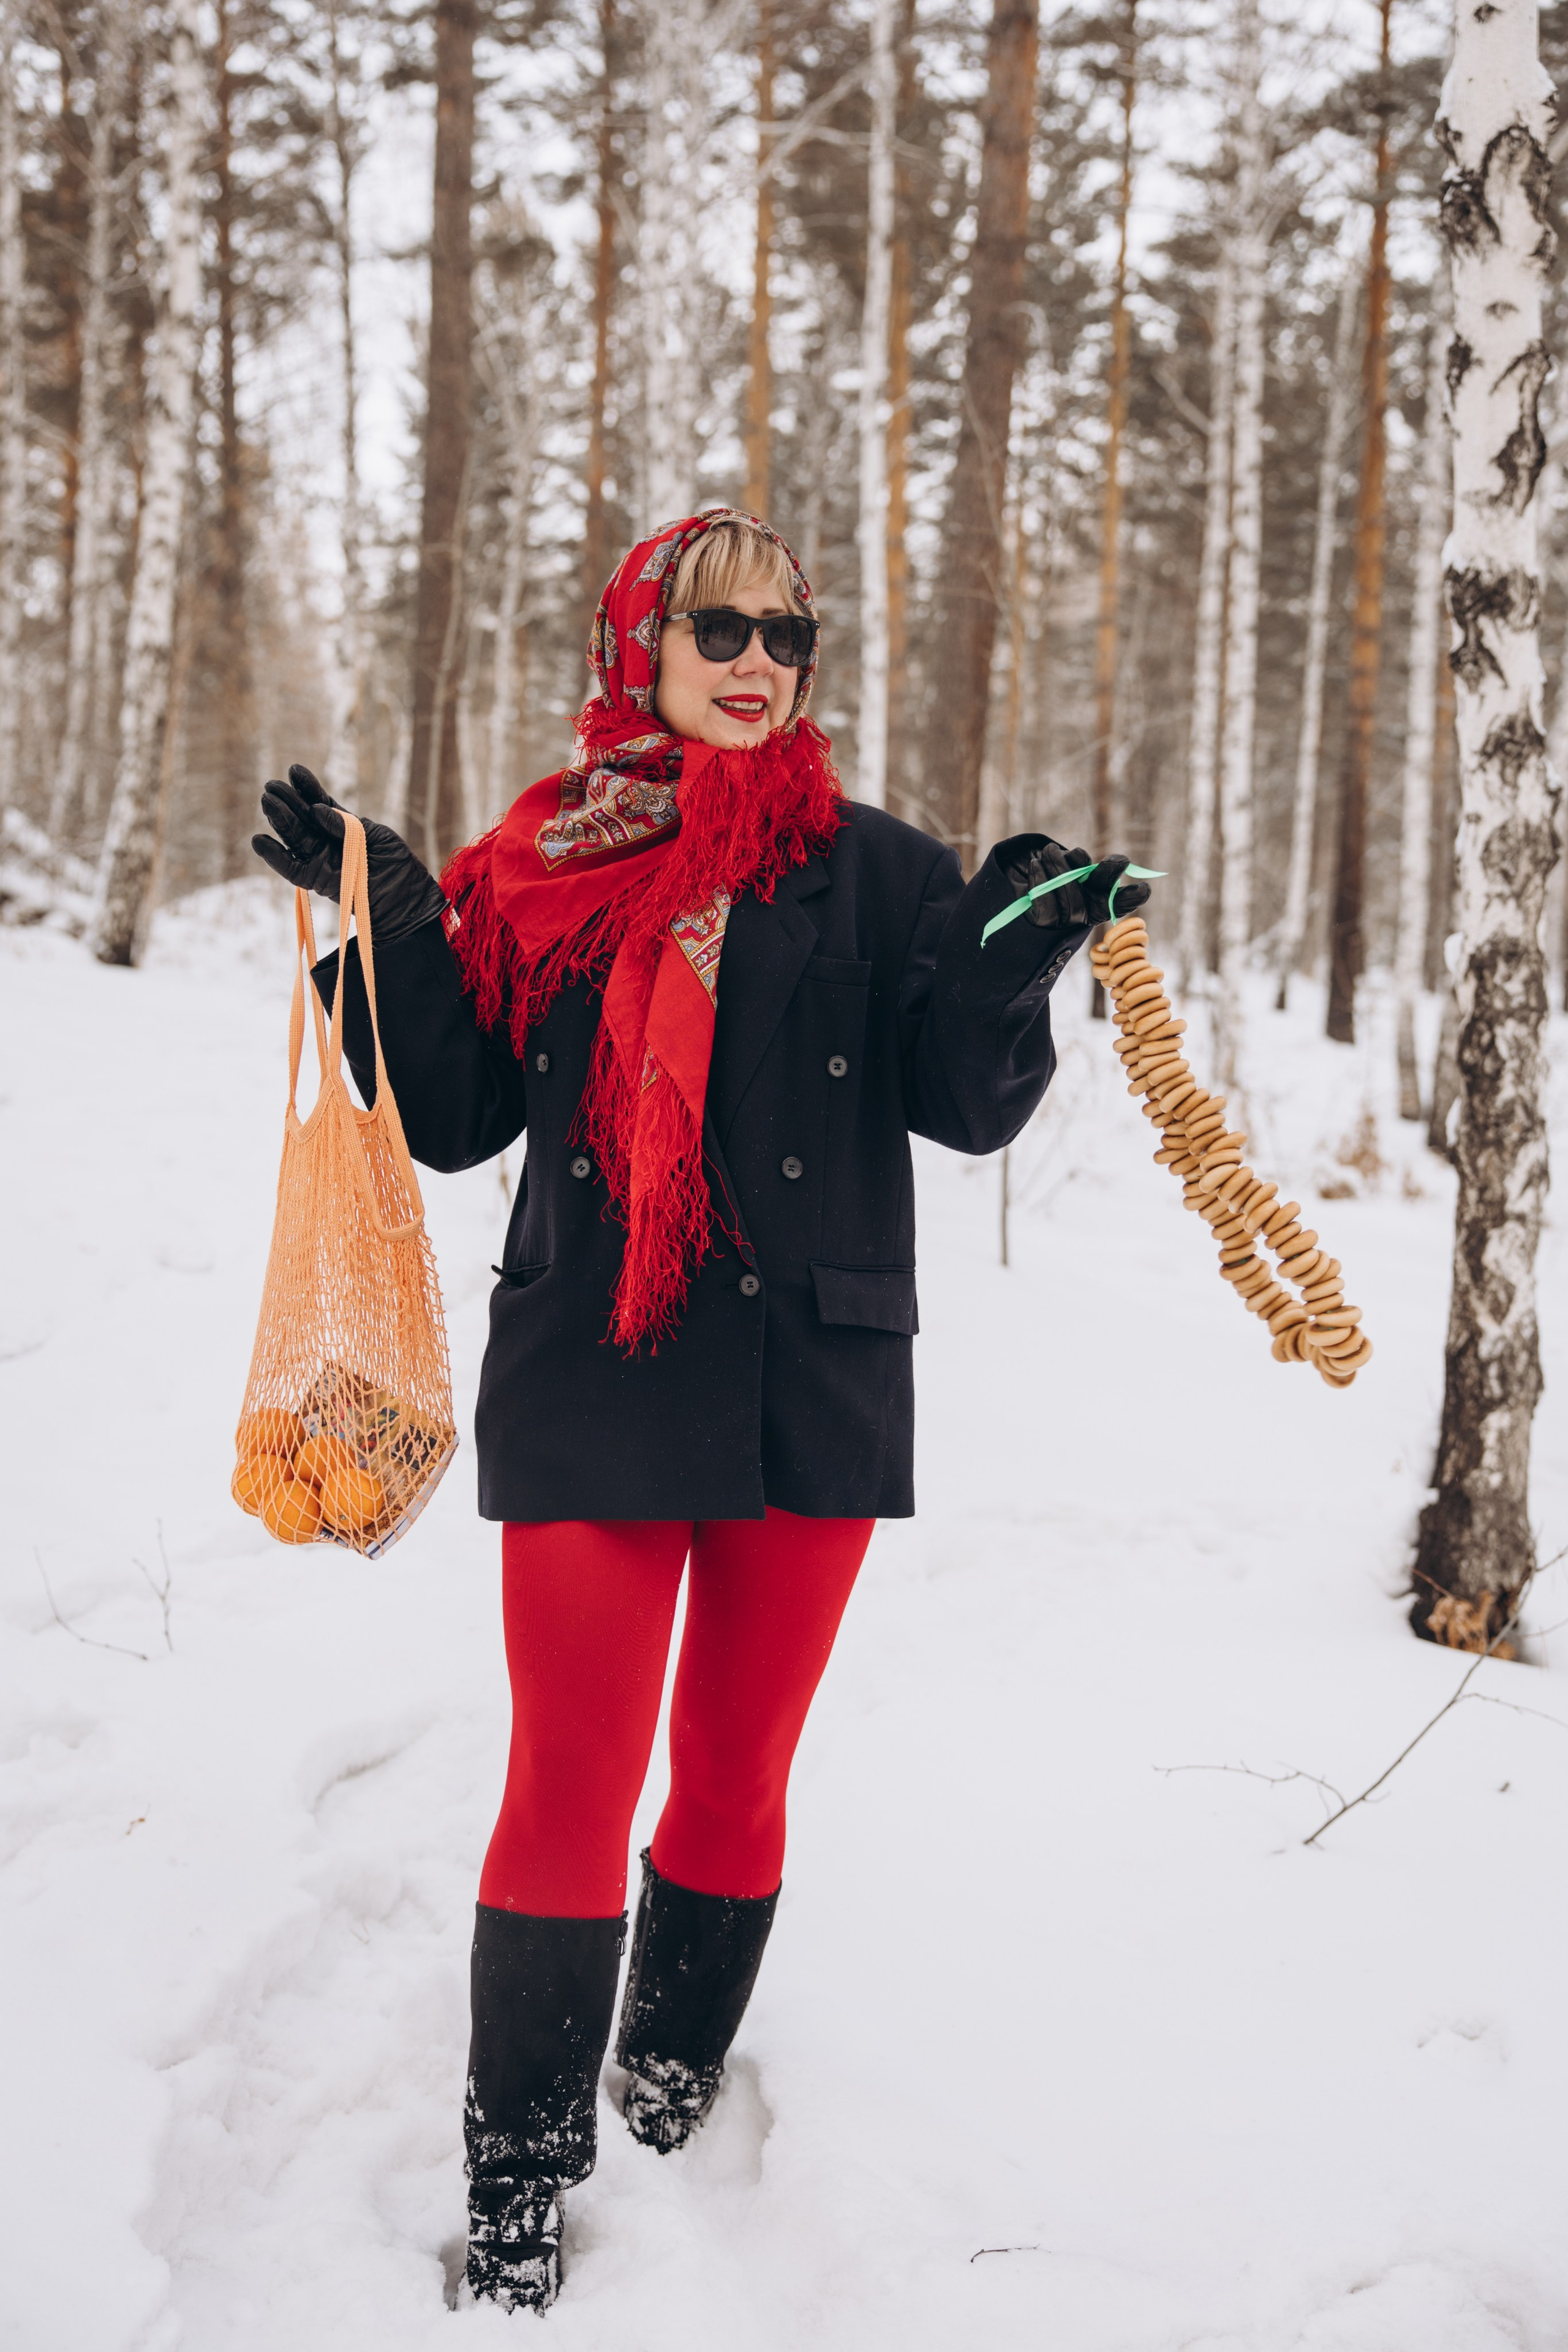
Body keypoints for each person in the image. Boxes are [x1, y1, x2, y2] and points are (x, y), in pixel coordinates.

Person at [253, 508, 1147, 2314]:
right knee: (571, 1775)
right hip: (594, 1362)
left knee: (737, 1769)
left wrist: (1002, 976)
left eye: (786, 639)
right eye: (718, 626)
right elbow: (455, 1115)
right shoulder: (546, 860)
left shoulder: (885, 876)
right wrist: (385, 921)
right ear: (640, 644)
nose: (755, 662)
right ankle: (518, 2180)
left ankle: (666, 2076)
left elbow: (964, 1114)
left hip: (813, 1375)